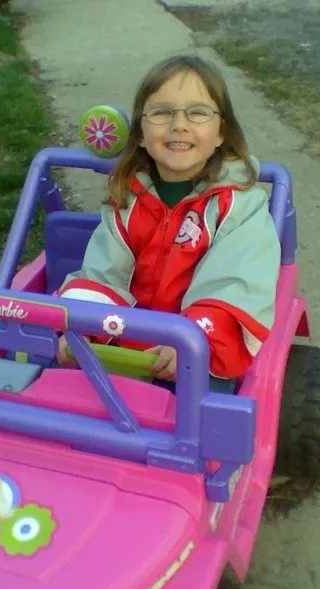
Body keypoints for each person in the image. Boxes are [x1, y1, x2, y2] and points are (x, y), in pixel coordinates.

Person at [55, 55, 280, 391]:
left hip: (200, 350)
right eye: (162, 113)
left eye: (198, 113)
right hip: (126, 339)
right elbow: (102, 274)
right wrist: (80, 326)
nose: (179, 124)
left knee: (204, 423)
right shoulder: (128, 200)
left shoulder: (239, 206)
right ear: (142, 134)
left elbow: (235, 284)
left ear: (221, 133)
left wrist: (193, 340)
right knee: (64, 396)